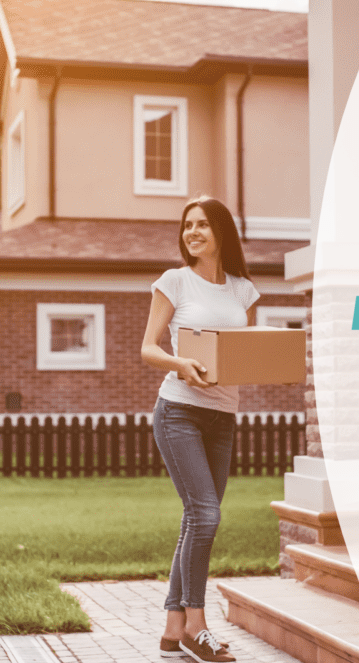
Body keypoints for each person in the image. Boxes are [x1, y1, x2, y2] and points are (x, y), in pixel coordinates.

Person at [141, 196, 259, 663]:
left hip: (223, 415)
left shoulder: (242, 290)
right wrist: (180, 364)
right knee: (206, 516)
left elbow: (244, 350)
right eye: (187, 225)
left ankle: (172, 629)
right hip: (180, 410)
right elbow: (149, 348)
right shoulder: (174, 282)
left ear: (221, 233)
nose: (192, 232)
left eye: (202, 225)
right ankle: (197, 625)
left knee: (197, 518)